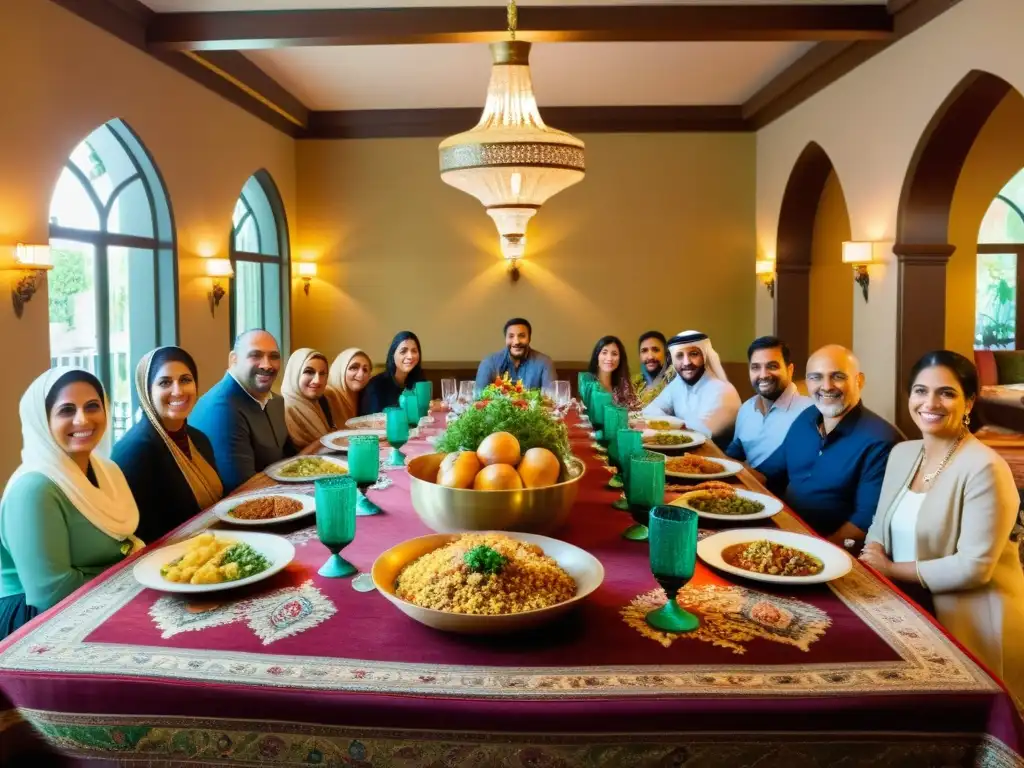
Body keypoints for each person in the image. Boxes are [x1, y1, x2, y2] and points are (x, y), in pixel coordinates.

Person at [860, 351, 1024, 703]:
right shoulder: (903, 453)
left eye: (946, 393)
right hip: (907, 605)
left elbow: (973, 568)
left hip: (970, 621)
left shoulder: (984, 468)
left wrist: (888, 569)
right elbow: (878, 525)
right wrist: (873, 554)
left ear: (969, 403)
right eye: (920, 391)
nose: (930, 403)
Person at [1, 368, 142, 640]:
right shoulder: (34, 489)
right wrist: (131, 578)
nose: (83, 419)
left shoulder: (106, 471)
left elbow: (124, 544)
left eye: (93, 406)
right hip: (34, 623)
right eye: (66, 410)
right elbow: (51, 593)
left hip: (97, 599)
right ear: (42, 420)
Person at [758, 344, 901, 546]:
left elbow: (863, 524)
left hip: (829, 553)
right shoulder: (807, 418)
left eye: (838, 376)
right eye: (816, 377)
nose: (826, 386)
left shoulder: (881, 440)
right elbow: (769, 471)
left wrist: (811, 553)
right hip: (782, 531)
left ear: (859, 381)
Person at [112, 347, 223, 544]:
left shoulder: (198, 440)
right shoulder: (136, 451)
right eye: (165, 382)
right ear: (147, 391)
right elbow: (138, 537)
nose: (178, 391)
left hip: (211, 547)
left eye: (185, 380)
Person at [190, 329, 291, 494]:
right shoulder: (222, 410)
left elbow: (290, 459)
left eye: (274, 356)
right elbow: (244, 489)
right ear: (233, 359)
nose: (267, 365)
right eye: (255, 355)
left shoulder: (275, 401)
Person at [726, 336, 813, 471]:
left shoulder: (809, 413)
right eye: (755, 367)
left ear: (790, 370)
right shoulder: (746, 409)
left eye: (772, 366)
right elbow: (733, 456)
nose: (763, 375)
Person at [642, 330, 741, 441]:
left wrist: (666, 422)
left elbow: (701, 434)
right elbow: (650, 411)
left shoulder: (723, 391)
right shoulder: (678, 383)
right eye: (679, 355)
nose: (686, 362)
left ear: (705, 356)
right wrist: (675, 423)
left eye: (693, 354)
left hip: (717, 455)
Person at [282, 348, 341, 449]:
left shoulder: (322, 401)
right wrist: (326, 440)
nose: (317, 380)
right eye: (309, 372)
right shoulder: (281, 411)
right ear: (294, 374)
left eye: (322, 374)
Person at [475, 318, 557, 391]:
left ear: (529, 338)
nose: (517, 342)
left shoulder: (545, 363)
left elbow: (551, 400)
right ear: (505, 339)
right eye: (511, 336)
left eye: (522, 336)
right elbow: (478, 399)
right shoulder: (488, 363)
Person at [360, 331, 425, 414]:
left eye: (414, 351)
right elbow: (370, 421)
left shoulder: (419, 381)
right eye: (403, 351)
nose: (410, 356)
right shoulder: (376, 386)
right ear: (392, 355)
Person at [328, 348, 373, 426]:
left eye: (365, 370)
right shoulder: (327, 396)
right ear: (341, 369)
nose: (360, 374)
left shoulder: (365, 397)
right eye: (354, 368)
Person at [588, 336, 636, 407]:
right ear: (597, 356)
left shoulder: (624, 385)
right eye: (604, 353)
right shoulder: (587, 384)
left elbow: (636, 411)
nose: (609, 358)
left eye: (614, 354)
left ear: (620, 359)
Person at [632, 331, 675, 408]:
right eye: (644, 351)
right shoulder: (634, 383)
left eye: (656, 350)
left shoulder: (674, 380)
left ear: (666, 354)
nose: (650, 357)